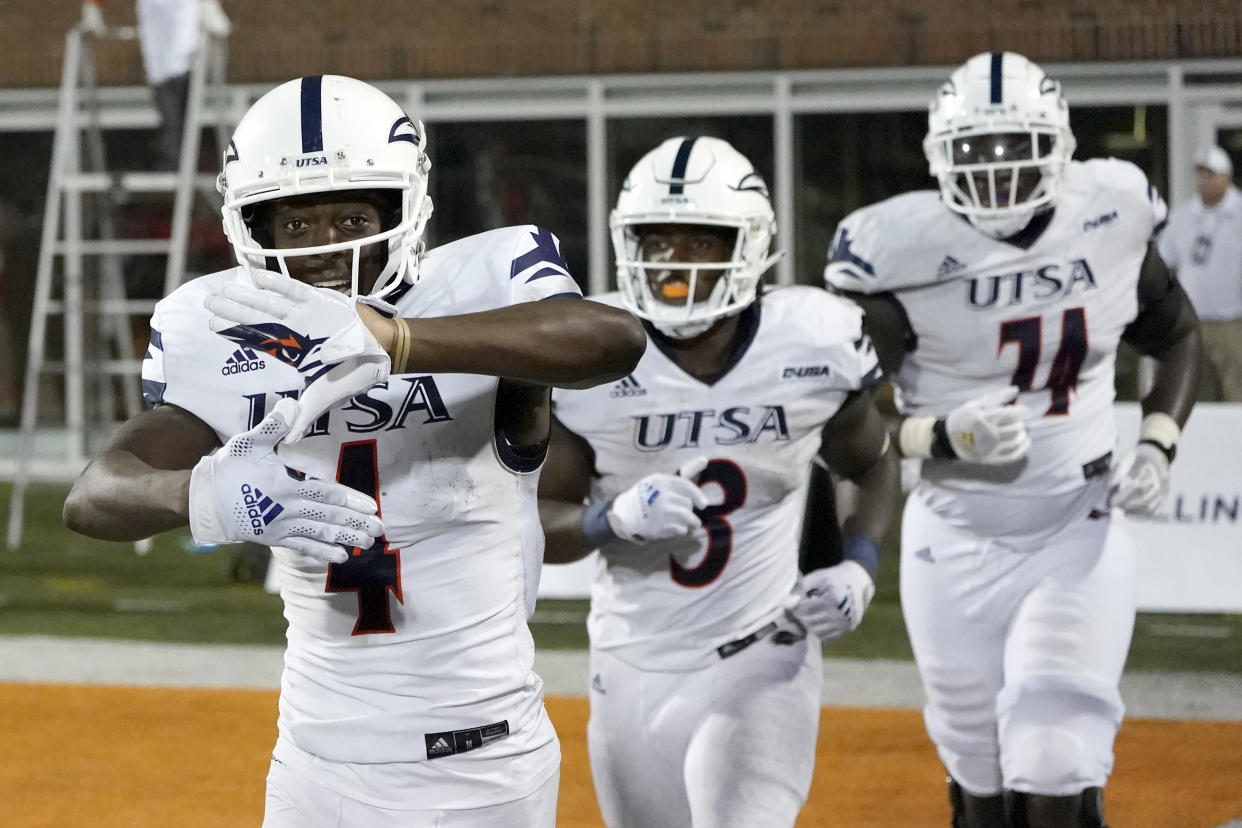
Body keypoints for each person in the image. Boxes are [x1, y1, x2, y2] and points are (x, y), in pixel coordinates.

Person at [63, 74, 647, 828]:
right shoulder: (217, 324)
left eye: (350, 215)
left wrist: (398, 341)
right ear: (252, 230)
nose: (328, 247)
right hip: (313, 759)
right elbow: (95, 493)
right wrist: (200, 496)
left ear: (406, 209)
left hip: (475, 765)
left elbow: (611, 338)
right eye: (297, 226)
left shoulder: (483, 282)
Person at [824, 52, 1201, 828]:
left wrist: (1158, 442)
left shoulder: (1112, 210)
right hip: (953, 537)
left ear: (1060, 145)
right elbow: (843, 429)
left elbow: (1177, 334)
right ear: (938, 157)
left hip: (1076, 524)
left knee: (1058, 751)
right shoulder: (899, 250)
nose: (998, 171)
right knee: (978, 775)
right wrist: (939, 434)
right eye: (975, 152)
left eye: (1016, 148)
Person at [538, 136, 900, 828]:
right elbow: (535, 521)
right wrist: (605, 520)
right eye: (657, 239)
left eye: (700, 241)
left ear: (750, 244)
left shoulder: (813, 340)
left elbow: (873, 460)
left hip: (764, 649)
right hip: (632, 660)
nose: (675, 261)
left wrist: (859, 564)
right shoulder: (591, 351)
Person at [81, 0, 231, 169]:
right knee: (172, 117)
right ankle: (176, 155)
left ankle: (180, 155)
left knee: (183, 116)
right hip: (162, 63)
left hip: (185, 60)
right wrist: (92, 7)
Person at [1157, 145, 1242, 400]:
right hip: (1191, 322)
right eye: (1201, 175)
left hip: (1232, 322)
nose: (1204, 181)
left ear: (1226, 177)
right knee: (1196, 393)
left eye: (1211, 175)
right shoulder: (1183, 216)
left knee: (1236, 391)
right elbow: (1164, 262)